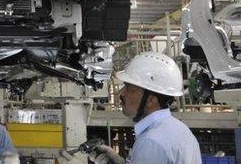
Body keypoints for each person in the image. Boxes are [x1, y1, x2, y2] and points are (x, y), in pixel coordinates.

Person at [57, 52, 201, 164]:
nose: (121, 93)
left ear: (151, 100)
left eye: (130, 88)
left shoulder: (151, 141)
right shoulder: (180, 131)